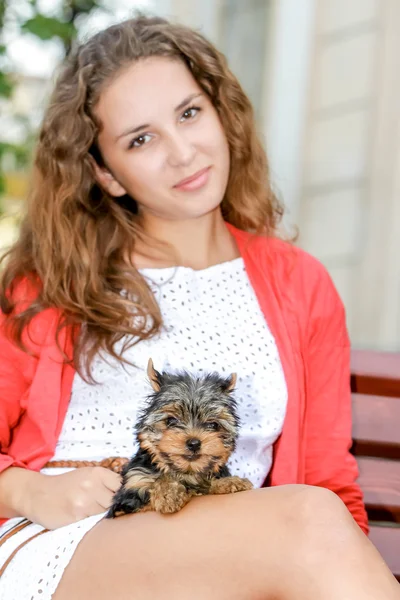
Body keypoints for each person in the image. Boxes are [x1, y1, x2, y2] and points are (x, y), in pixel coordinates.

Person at [0, 14, 399, 600]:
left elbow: (326, 482)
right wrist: (26, 490)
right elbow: (312, 523)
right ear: (105, 174)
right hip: (64, 544)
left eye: (189, 114)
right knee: (308, 522)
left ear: (220, 112)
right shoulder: (52, 287)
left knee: (313, 519)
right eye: (142, 138)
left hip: (227, 558)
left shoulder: (299, 283)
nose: (184, 153)